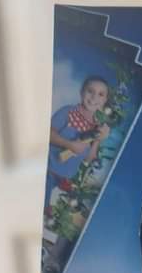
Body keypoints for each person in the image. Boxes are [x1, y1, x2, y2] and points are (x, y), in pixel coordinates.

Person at [45, 75, 111, 206]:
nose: (94, 97)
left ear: (105, 100)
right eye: (90, 91)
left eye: (100, 94)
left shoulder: (96, 127)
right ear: (81, 92)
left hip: (63, 179)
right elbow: (47, 134)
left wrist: (98, 139)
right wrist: (69, 144)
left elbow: (88, 159)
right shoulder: (68, 112)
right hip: (47, 170)